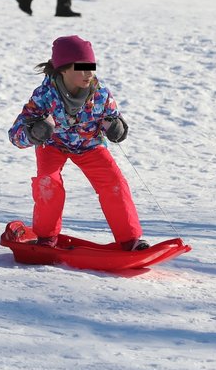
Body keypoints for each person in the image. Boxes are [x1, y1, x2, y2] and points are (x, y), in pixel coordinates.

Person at [8, 35, 147, 252]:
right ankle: (46, 238)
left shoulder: (100, 94)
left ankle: (131, 240)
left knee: (114, 182)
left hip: (89, 144)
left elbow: (114, 118)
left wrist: (116, 127)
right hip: (53, 145)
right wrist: (34, 133)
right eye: (81, 68)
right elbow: (15, 135)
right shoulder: (44, 96)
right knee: (48, 182)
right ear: (63, 69)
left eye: (91, 67)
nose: (88, 74)